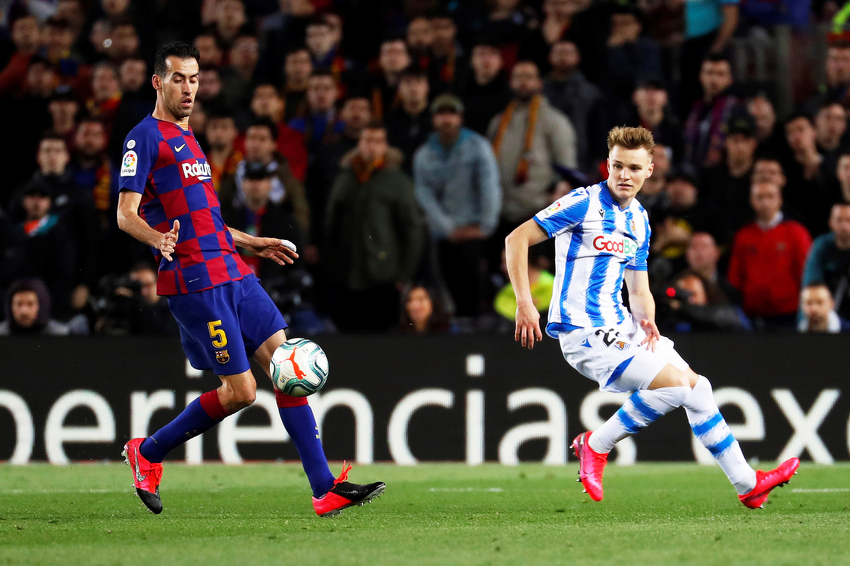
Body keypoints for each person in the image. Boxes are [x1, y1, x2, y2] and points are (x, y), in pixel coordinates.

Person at [115, 42, 384, 517]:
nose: (189, 88)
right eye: (179, 78)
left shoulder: (190, 138)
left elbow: (206, 220)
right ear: (158, 81)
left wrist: (252, 242)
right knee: (241, 392)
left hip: (233, 270)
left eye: (195, 79)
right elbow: (124, 215)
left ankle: (324, 489)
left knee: (288, 369)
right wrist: (157, 240)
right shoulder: (144, 138)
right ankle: (149, 452)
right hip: (196, 281)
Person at [505, 125, 799, 508]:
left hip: (623, 325)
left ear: (650, 170)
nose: (624, 175)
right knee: (676, 387)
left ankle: (748, 484)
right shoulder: (582, 203)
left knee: (698, 389)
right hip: (584, 332)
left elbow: (639, 289)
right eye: (617, 166)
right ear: (606, 166)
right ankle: (595, 445)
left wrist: (648, 319)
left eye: (633, 168)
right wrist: (525, 302)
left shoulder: (640, 220)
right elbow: (516, 239)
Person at [324, 120, 424, 332]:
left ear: (385, 146)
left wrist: (404, 274)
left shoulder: (397, 181)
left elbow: (413, 230)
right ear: (359, 143)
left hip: (384, 276)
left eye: (378, 141)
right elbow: (331, 222)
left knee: (381, 336)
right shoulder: (345, 177)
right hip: (346, 273)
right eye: (368, 140)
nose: (372, 146)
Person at [413, 93, 501, 318]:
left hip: (475, 232)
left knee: (475, 290)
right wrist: (448, 228)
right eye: (441, 114)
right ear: (433, 119)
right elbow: (424, 195)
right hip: (443, 236)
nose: (446, 120)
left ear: (460, 117)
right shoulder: (424, 154)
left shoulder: (478, 146)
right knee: (445, 288)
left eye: (451, 114)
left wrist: (485, 228)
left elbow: (490, 188)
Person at [727, 182, 812, 329]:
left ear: (779, 199)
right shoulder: (743, 235)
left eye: (770, 196)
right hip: (752, 317)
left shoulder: (796, 232)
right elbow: (735, 277)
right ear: (751, 201)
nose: (765, 202)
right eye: (759, 197)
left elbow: (806, 272)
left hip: (789, 315)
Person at [802, 202, 850, 321]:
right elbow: (811, 285)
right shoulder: (821, 246)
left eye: (849, 220)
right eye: (839, 220)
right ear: (831, 222)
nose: (844, 225)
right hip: (827, 313)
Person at [0, 278, 71, 336]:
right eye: (19, 304)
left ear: (41, 305)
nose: (24, 311)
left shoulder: (59, 334)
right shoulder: (2, 333)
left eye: (30, 304)